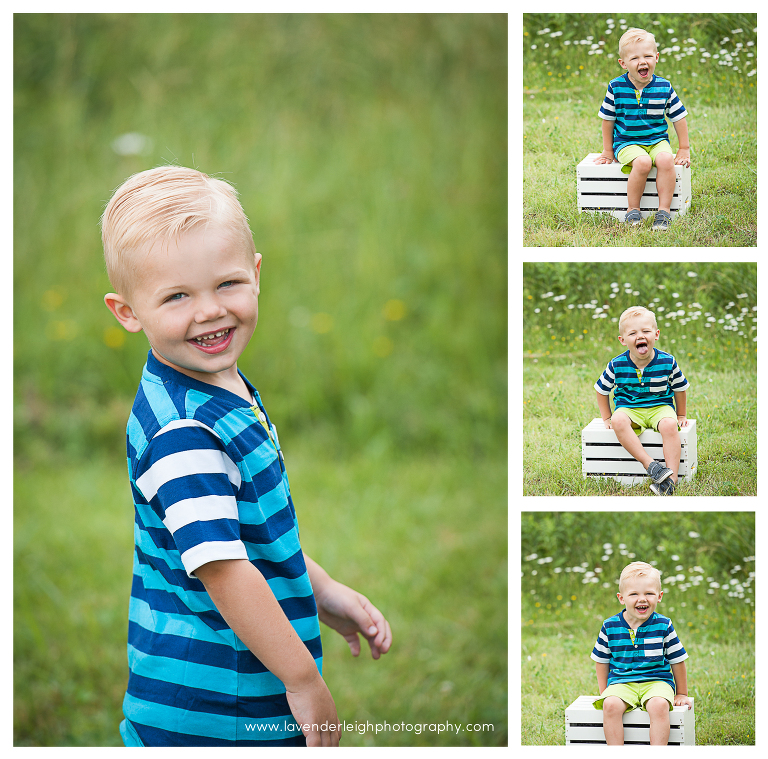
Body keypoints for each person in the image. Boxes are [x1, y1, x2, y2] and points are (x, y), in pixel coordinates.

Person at [101, 166, 392, 746]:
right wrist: (303, 679)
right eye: (177, 295)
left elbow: (246, 534)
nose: (210, 311)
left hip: (228, 684)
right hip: (220, 703)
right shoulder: (184, 429)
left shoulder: (215, 384)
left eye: (227, 284)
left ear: (256, 274)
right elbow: (223, 567)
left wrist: (321, 588)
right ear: (127, 312)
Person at [595, 28, 690, 231]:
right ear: (623, 63)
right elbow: (607, 120)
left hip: (657, 140)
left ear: (656, 57)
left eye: (647, 56)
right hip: (626, 142)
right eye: (635, 58)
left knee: (665, 159)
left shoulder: (664, 87)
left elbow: (678, 117)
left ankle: (663, 212)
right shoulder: (616, 87)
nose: (642, 62)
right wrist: (608, 151)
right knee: (643, 162)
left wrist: (684, 148)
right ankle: (633, 210)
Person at [591, 561, 693, 745]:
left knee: (659, 705)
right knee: (611, 705)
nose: (642, 599)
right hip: (621, 682)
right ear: (621, 598)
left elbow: (677, 660)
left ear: (659, 596)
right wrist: (604, 692)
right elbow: (601, 660)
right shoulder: (610, 626)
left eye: (649, 593)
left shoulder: (664, 625)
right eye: (634, 594)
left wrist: (682, 693)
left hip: (657, 681)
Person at [595, 306, 689, 495]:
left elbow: (680, 388)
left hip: (660, 406)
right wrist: (606, 418)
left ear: (656, 334)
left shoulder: (667, 361)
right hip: (629, 408)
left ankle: (671, 479)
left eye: (646, 331)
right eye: (632, 333)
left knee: (670, 425)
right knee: (618, 420)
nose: (640, 336)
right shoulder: (616, 364)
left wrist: (681, 414)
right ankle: (652, 466)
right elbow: (601, 390)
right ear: (623, 340)